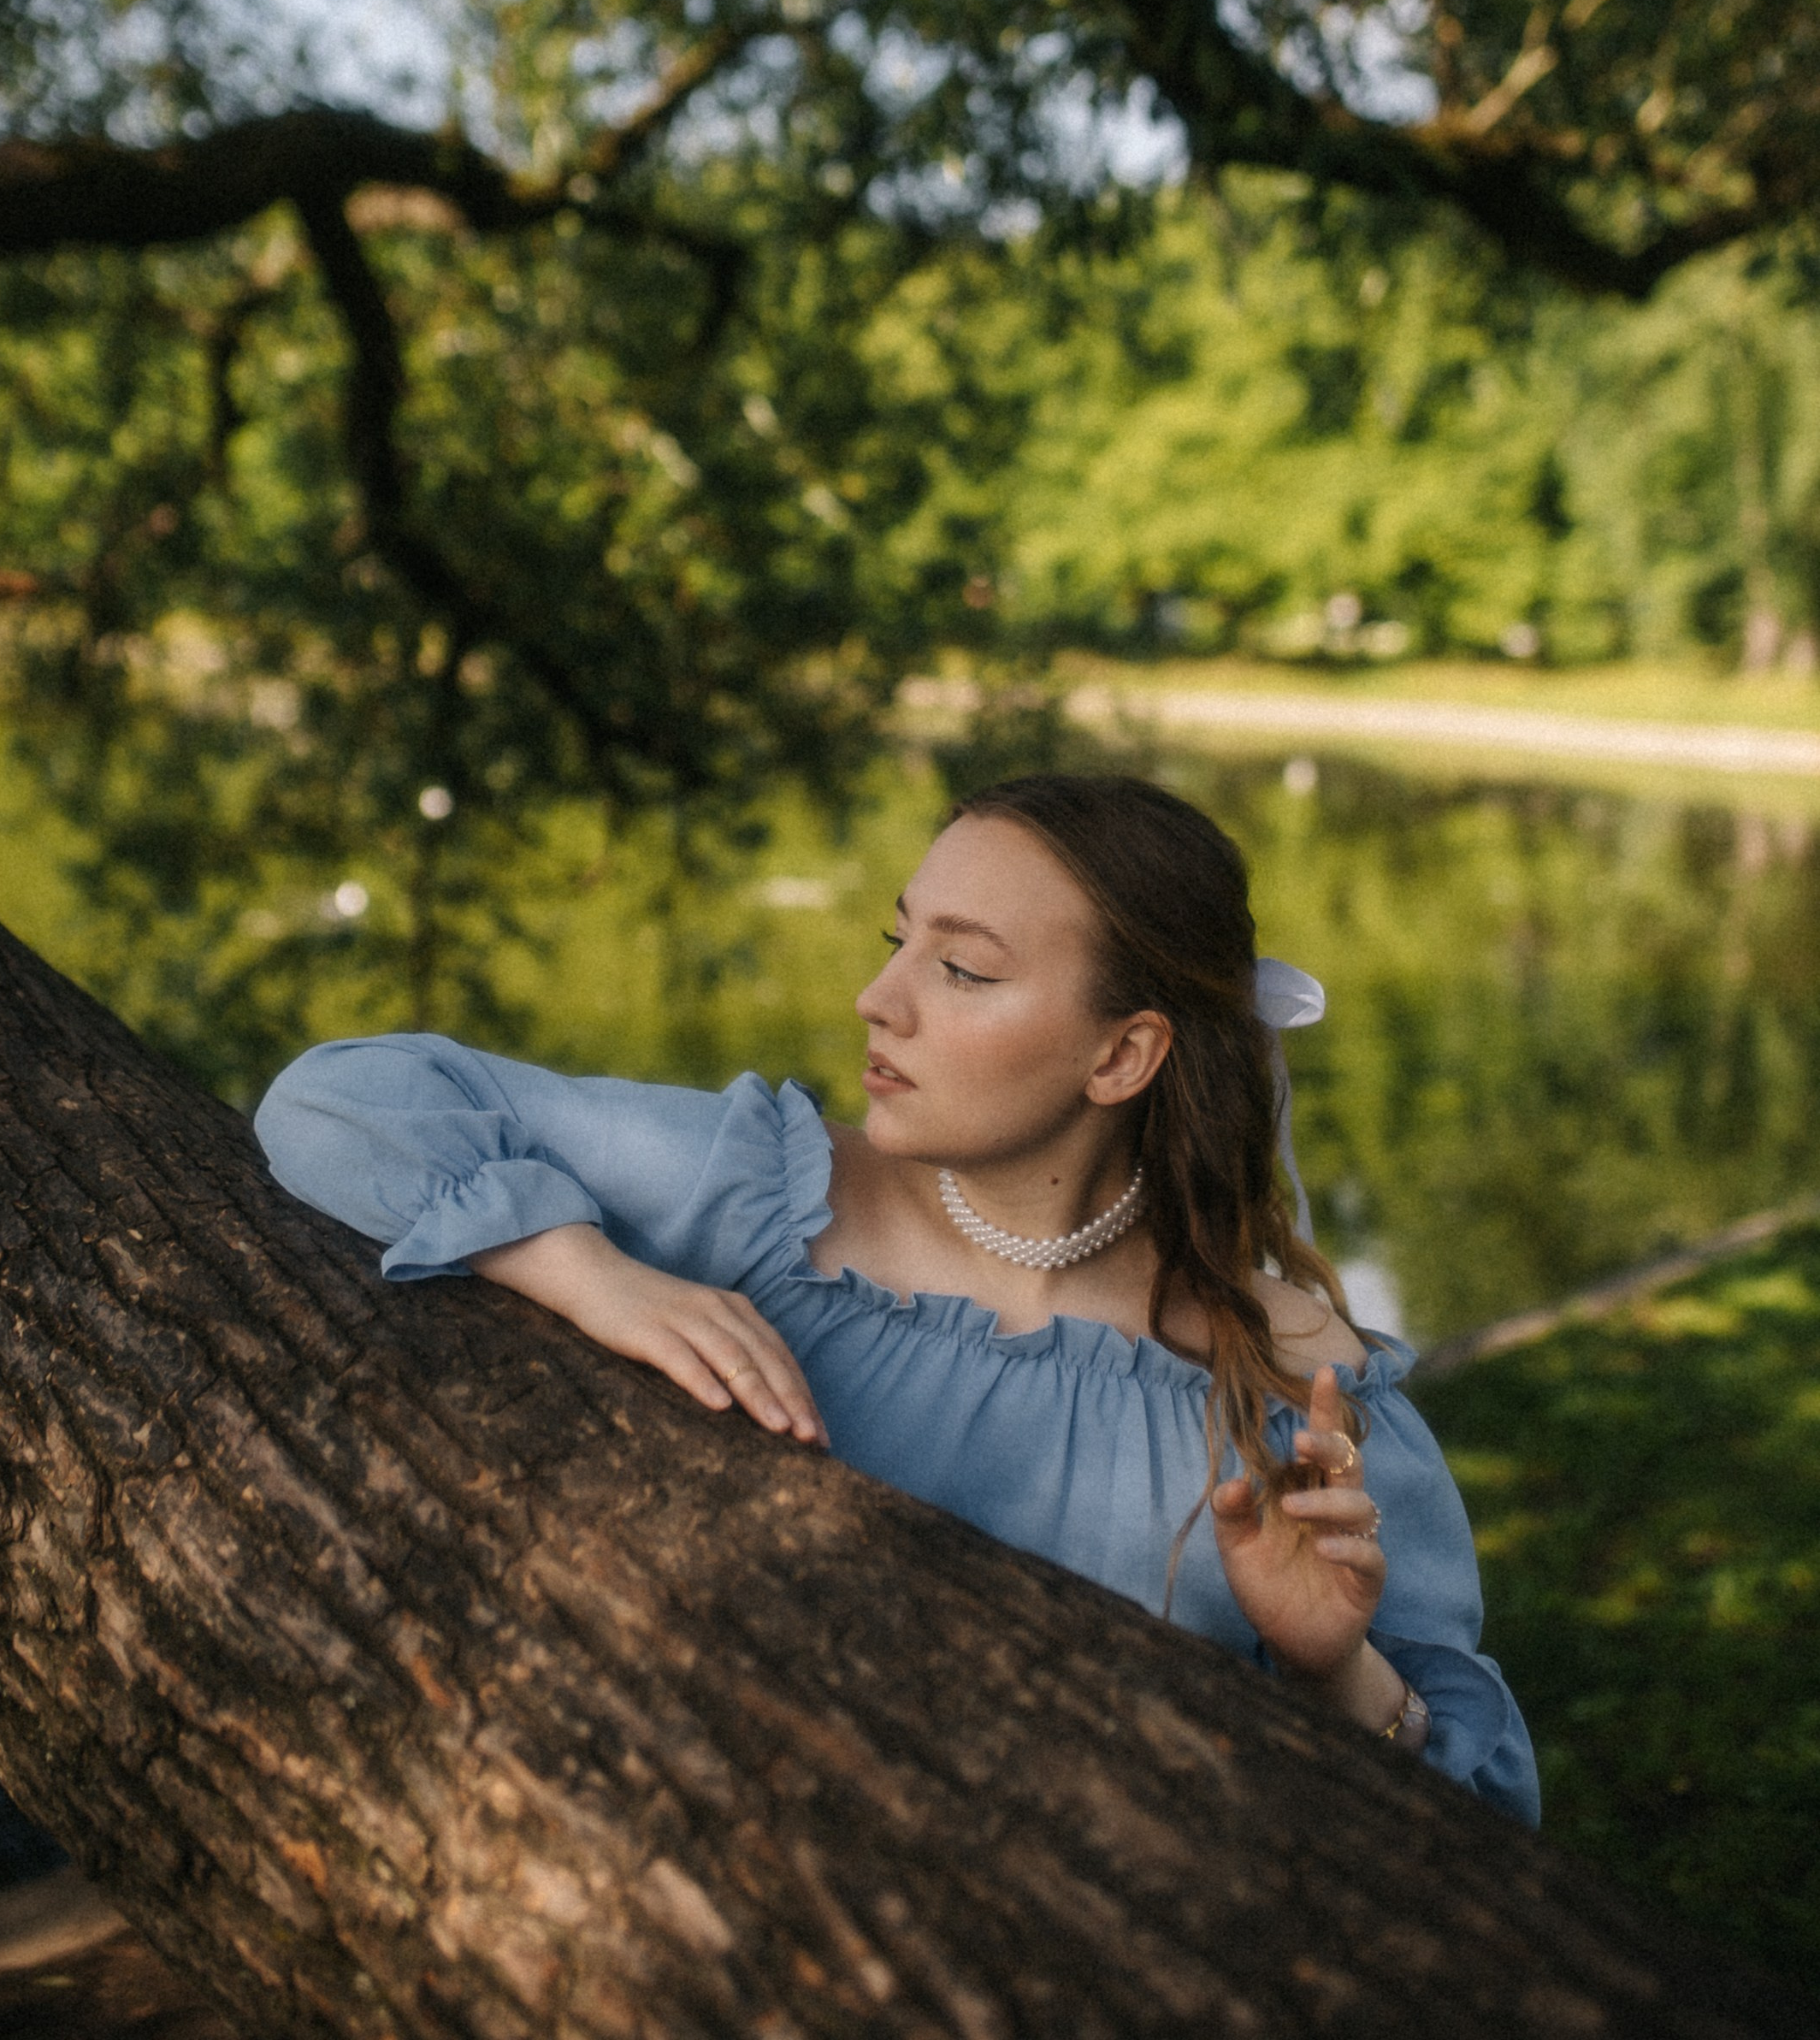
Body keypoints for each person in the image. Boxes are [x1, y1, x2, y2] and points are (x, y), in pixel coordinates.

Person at [255, 771, 1539, 1823]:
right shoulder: (762, 1199)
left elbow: (1490, 1834)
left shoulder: (1299, 1393)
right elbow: (337, 1096)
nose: (878, 1001)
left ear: (1121, 1054)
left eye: (962, 970)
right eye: (897, 941)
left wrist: (1330, 1673)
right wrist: (592, 1275)